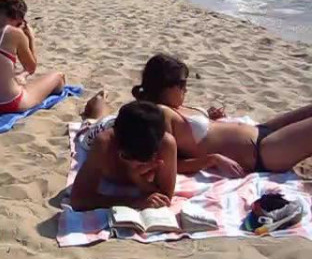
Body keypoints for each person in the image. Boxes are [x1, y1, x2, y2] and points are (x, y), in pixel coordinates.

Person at [132, 53, 312, 175]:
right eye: (181, 84)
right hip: (262, 153)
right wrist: (212, 160)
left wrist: (210, 117)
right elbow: (170, 163)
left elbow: (202, 133)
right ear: (163, 86)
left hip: (260, 131)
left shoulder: (175, 106)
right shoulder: (161, 113)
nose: (185, 89)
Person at [0, 0, 65, 113]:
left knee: (15, 77)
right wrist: (30, 38)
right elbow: (31, 67)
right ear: (18, 16)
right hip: (9, 103)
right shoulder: (15, 33)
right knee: (59, 77)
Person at [70, 100, 177, 211]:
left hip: (125, 127)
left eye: (144, 158)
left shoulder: (166, 144)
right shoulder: (104, 143)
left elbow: (165, 197)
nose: (135, 163)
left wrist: (136, 178)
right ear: (117, 145)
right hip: (100, 127)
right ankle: (99, 100)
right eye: (128, 156)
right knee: (93, 121)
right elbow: (78, 199)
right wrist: (134, 202)